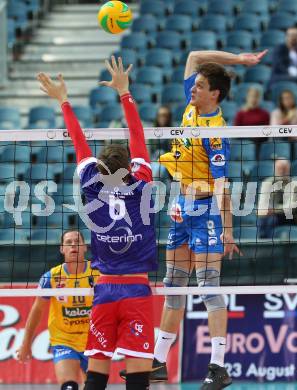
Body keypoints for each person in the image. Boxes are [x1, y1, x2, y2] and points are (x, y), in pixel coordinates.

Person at [37, 56, 158, 390]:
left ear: (101, 167)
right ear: (130, 168)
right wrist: (125, 93)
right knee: (137, 378)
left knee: (96, 376)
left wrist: (63, 100)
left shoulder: (91, 185)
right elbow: (137, 135)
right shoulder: (143, 184)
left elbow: (79, 144)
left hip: (103, 289)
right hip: (136, 288)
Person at [150, 49, 267, 390]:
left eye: (200, 86)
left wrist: (228, 230)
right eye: (195, 84)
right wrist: (240, 60)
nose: (192, 89)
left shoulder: (216, 132)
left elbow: (221, 186)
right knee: (174, 285)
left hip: (206, 211)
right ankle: (158, 361)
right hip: (181, 207)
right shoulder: (190, 107)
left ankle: (218, 366)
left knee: (208, 288)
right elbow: (193, 54)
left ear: (214, 93)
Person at [17, 230, 99, 390]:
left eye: (77, 241)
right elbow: (37, 310)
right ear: (62, 249)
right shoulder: (51, 277)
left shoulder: (98, 273)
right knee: (69, 386)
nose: (73, 245)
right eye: (69, 242)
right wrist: (26, 343)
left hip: (93, 341)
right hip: (64, 340)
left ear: (85, 247)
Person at [257, 159, 295, 238]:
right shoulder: (267, 183)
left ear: (288, 170)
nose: (281, 171)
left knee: (271, 220)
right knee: (263, 219)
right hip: (270, 215)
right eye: (279, 169)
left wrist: (275, 210)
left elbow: (293, 207)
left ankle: (269, 244)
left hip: (289, 216)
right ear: (274, 169)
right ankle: (263, 243)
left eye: (284, 169)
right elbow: (263, 203)